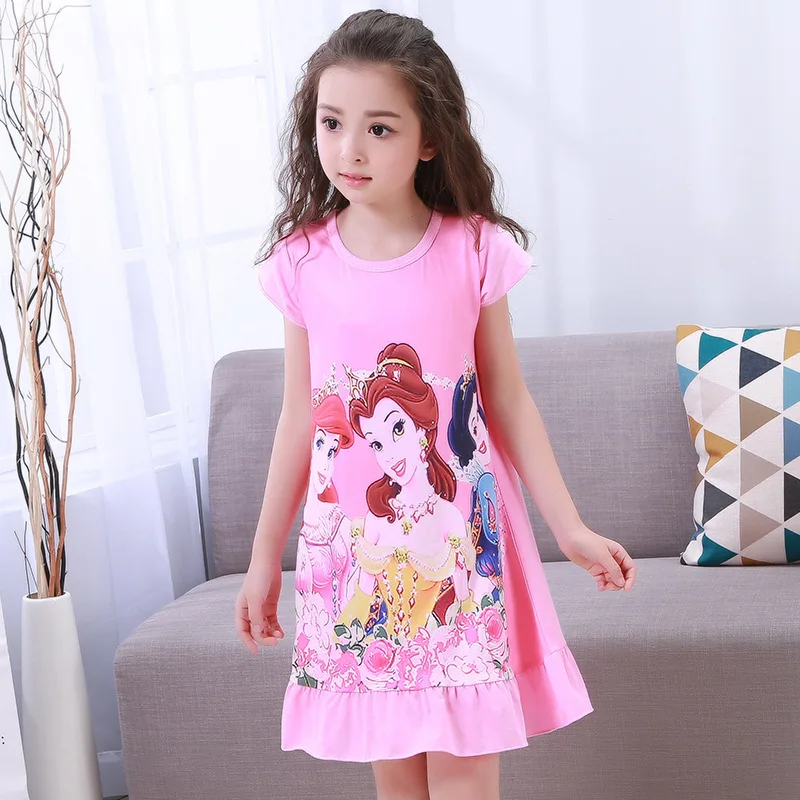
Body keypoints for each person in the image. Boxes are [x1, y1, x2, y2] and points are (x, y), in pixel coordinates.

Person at [235, 9, 637, 800]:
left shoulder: (472, 249)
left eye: (379, 128)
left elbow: (507, 399)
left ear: (428, 139)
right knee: (398, 783)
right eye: (331, 122)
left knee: (465, 779)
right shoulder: (301, 263)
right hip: (358, 561)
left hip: (459, 552)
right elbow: (300, 419)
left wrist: (570, 528)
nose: (349, 149)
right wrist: (261, 561)